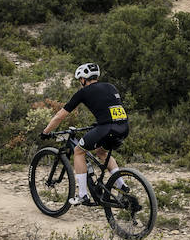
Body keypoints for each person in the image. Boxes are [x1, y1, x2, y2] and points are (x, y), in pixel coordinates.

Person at [41, 62, 129, 206]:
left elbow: (59, 116)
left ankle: (82, 195)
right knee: (101, 152)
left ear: (83, 79)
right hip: (123, 127)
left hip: (106, 128)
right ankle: (122, 185)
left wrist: (46, 132)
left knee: (78, 151)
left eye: (80, 80)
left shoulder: (83, 92)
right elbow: (110, 107)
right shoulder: (110, 86)